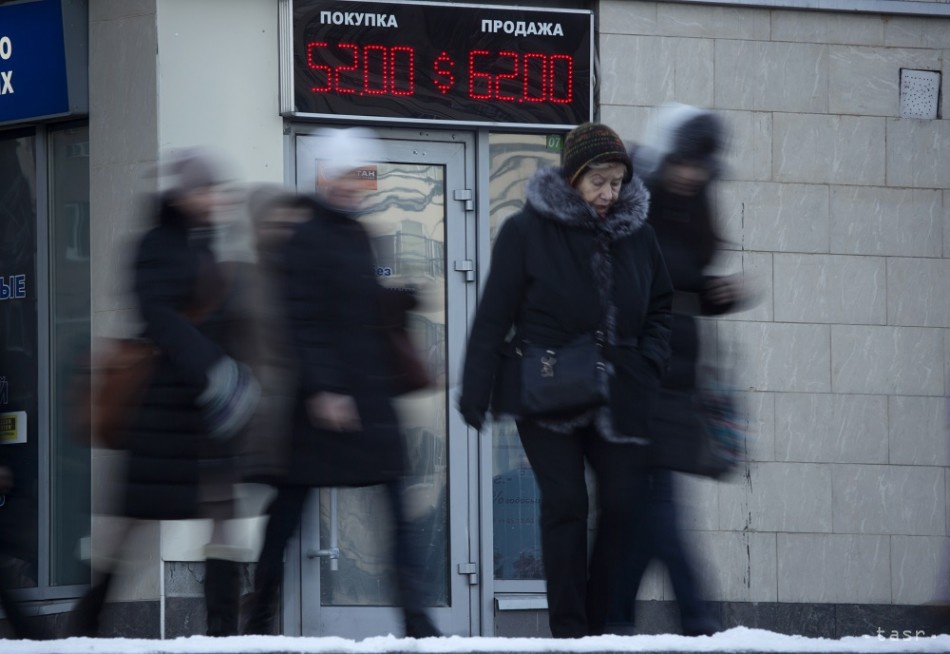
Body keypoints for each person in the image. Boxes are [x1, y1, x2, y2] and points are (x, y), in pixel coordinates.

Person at [458, 122, 674, 638]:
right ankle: (571, 633)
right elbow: (493, 315)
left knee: (624, 504)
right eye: (598, 181)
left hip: (617, 390)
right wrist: (476, 388)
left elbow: (661, 307)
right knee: (566, 505)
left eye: (617, 182)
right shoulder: (526, 231)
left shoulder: (639, 235)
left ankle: (600, 625)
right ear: (573, 178)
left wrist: (648, 362)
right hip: (546, 390)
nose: (609, 194)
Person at [242, 127, 440, 639]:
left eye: (362, 176)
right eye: (349, 175)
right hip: (325, 400)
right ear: (326, 176)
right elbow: (301, 321)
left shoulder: (357, 234)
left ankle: (417, 620)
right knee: (288, 513)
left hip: (367, 392)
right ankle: (258, 615)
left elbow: (357, 309)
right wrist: (324, 389)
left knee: (395, 503)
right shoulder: (305, 238)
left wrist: (399, 298)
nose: (356, 185)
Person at [71, 149, 260, 637]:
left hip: (204, 407)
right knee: (135, 518)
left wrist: (227, 372)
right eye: (204, 190)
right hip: (162, 403)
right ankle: (89, 617)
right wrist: (212, 367)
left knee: (223, 510)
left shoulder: (206, 244)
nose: (214, 199)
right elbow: (158, 317)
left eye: (216, 190)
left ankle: (222, 630)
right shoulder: (156, 244)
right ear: (182, 195)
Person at [609, 103, 747, 637]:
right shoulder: (635, 201)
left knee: (646, 509)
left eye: (701, 165)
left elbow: (683, 285)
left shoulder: (694, 206)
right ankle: (698, 616)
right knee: (658, 503)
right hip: (639, 373)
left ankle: (615, 617)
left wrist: (717, 296)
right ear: (667, 155)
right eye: (685, 162)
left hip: (678, 379)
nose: (692, 174)